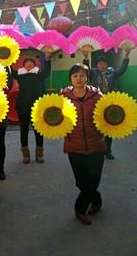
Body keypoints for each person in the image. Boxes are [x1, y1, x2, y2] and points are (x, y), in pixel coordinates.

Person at [61, 64, 107, 226]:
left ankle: (80, 209)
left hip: (96, 144)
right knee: (81, 182)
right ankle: (97, 201)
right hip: (75, 145)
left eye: (82, 75)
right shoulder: (63, 97)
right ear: (70, 78)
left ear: (87, 77)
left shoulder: (97, 96)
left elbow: (106, 116)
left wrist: (105, 136)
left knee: (93, 180)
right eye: (75, 76)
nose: (79, 79)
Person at [82, 49, 131, 159]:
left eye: (104, 63)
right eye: (100, 63)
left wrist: (126, 56)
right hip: (96, 102)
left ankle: (108, 150)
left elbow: (122, 69)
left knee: (109, 127)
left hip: (110, 103)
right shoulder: (93, 73)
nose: (102, 65)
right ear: (97, 65)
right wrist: (86, 58)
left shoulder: (112, 72)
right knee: (96, 127)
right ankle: (96, 149)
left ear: (107, 64)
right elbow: (86, 70)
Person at [11, 53, 51, 163]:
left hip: (36, 107)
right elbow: (10, 72)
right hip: (22, 107)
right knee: (23, 131)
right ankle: (26, 155)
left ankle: (39, 154)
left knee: (38, 131)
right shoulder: (20, 75)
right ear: (23, 65)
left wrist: (47, 59)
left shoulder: (38, 74)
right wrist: (7, 61)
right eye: (27, 63)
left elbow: (47, 72)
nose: (29, 64)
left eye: (31, 63)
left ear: (34, 65)